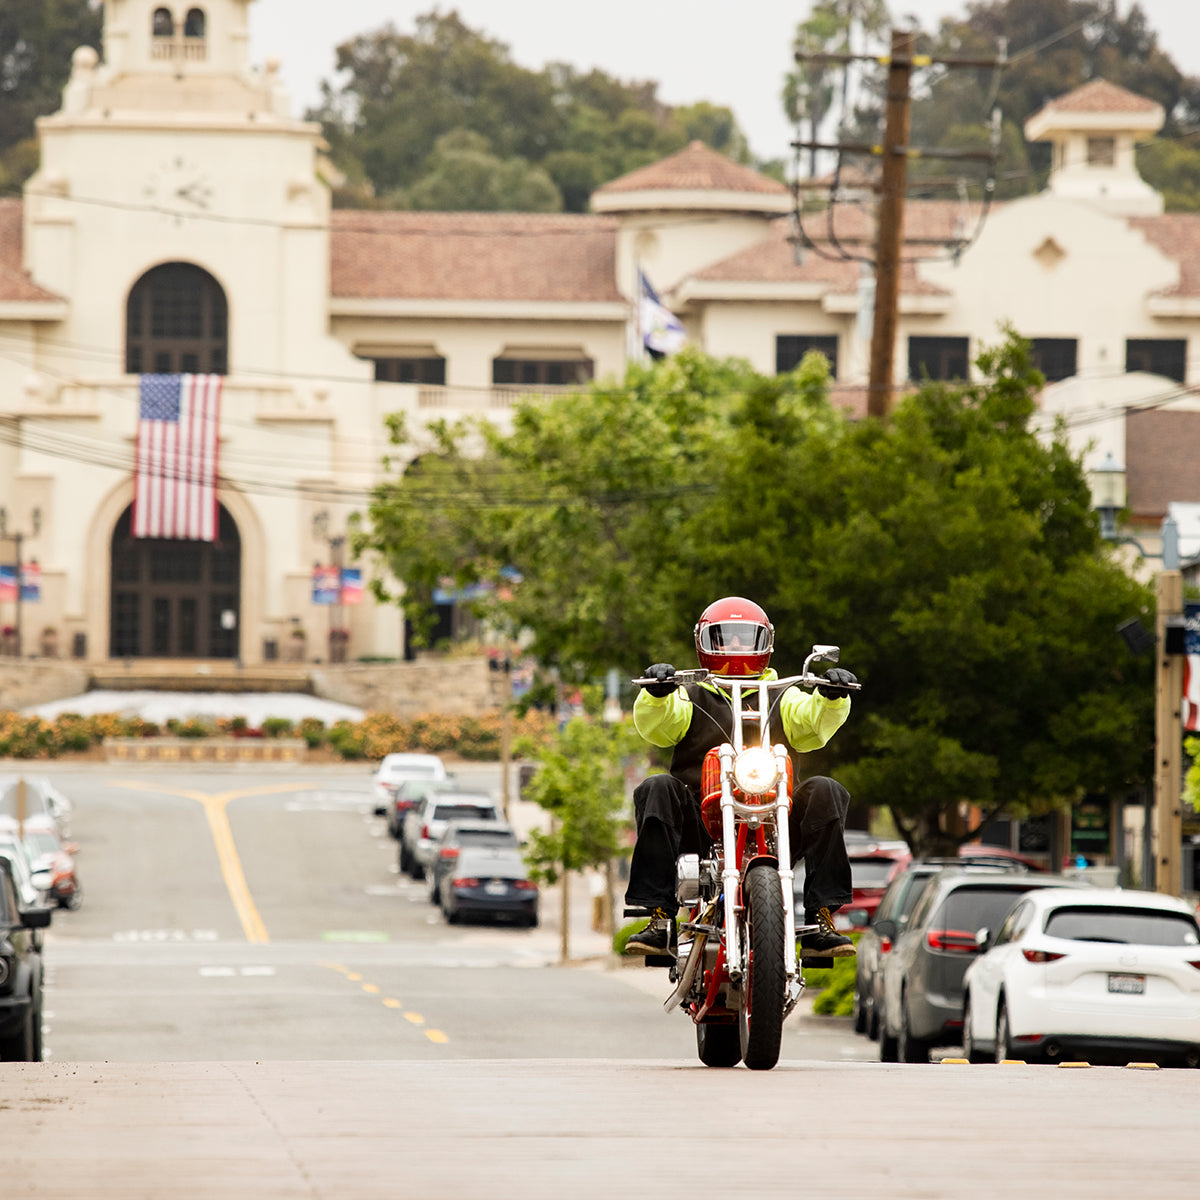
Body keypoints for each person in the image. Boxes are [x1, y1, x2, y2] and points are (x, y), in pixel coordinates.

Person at [624, 595, 858, 959]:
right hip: (700, 825)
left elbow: (812, 722)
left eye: (745, 638)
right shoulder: (689, 695)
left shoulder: (786, 694)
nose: (735, 646)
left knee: (827, 790)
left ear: (765, 642)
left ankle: (821, 920)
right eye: (725, 637)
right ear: (704, 643)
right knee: (656, 787)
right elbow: (660, 726)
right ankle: (659, 918)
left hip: (773, 823)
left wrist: (830, 699)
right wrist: (658, 695)